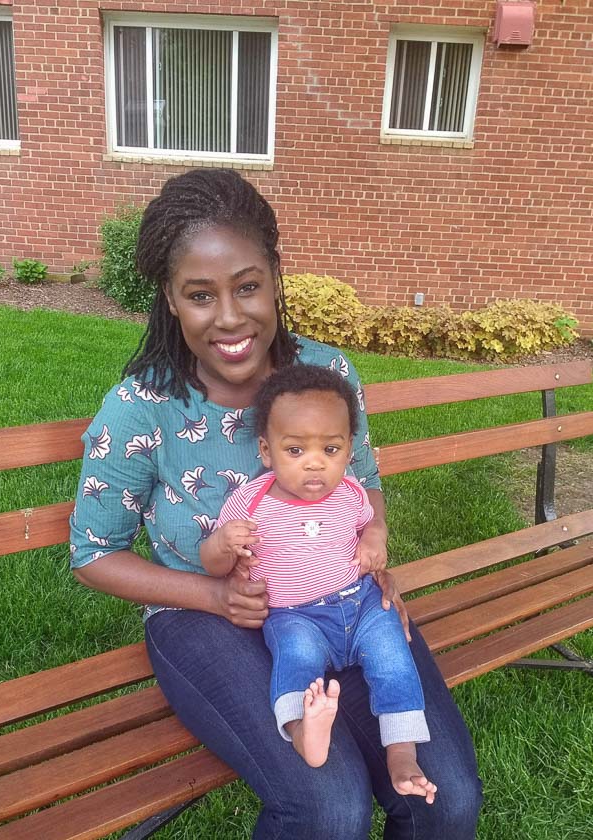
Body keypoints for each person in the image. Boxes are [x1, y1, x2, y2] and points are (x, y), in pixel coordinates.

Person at [70, 167, 482, 839]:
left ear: (275, 278)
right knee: (329, 805)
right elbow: (92, 555)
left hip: (341, 602)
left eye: (249, 286)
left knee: (449, 796)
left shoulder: (326, 376)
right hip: (199, 616)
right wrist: (214, 597)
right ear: (170, 301)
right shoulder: (140, 410)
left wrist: (372, 548)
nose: (230, 317)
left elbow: (364, 479)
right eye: (200, 294)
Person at [200, 363, 436, 802]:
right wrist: (222, 543)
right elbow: (213, 565)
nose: (315, 464)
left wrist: (373, 537)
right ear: (267, 452)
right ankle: (302, 727)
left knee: (393, 657)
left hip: (361, 602)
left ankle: (402, 750)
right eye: (295, 451)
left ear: (349, 451)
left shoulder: (350, 493)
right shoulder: (250, 502)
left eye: (330, 449)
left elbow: (370, 526)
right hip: (295, 614)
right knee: (296, 658)